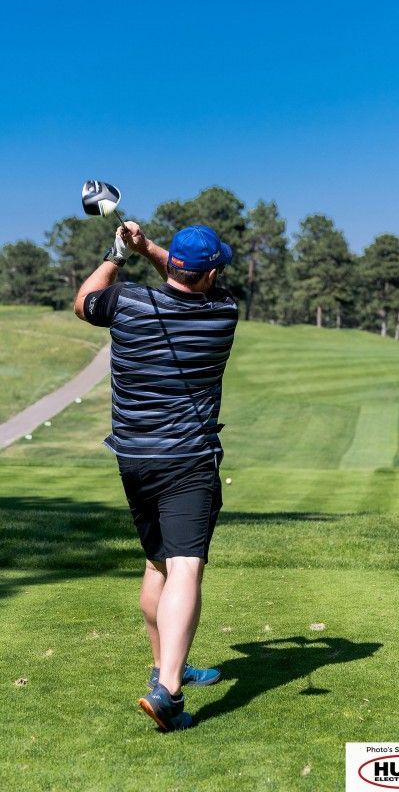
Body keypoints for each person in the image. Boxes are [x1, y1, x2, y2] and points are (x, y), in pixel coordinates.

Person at [74, 220, 239, 731]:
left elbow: (84, 302)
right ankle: (168, 691)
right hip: (187, 460)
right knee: (185, 568)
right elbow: (191, 276)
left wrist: (121, 252)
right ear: (211, 273)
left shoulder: (127, 304)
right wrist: (148, 249)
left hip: (134, 458)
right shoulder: (223, 312)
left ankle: (165, 664)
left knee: (157, 565)